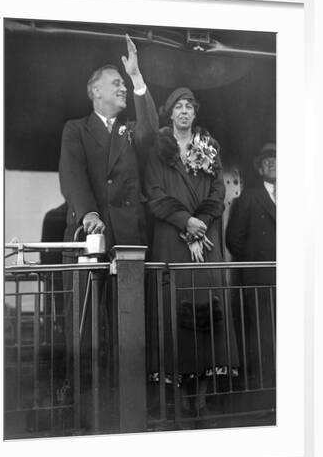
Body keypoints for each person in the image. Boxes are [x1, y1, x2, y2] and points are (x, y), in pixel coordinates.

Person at [144, 87, 239, 418]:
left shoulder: (209, 147)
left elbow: (217, 189)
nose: (184, 111)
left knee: (206, 313)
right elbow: (153, 193)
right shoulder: (158, 147)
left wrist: (202, 224)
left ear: (195, 113)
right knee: (176, 312)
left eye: (189, 107)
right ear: (169, 113)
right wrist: (187, 224)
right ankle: (179, 401)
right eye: (178, 107)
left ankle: (201, 397)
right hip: (172, 236)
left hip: (206, 239)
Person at [59, 34, 158, 252]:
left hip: (130, 235)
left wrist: (135, 76)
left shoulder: (131, 130)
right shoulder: (75, 130)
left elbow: (150, 131)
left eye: (124, 84)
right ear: (96, 91)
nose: (123, 88)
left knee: (130, 287)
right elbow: (72, 176)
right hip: (91, 232)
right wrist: (89, 213)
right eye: (116, 83)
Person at [226, 143, 276, 402]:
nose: (273, 163)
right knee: (263, 337)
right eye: (267, 159)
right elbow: (233, 239)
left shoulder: (301, 195)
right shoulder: (249, 197)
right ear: (259, 167)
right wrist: (257, 262)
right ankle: (264, 393)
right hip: (260, 280)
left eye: (277, 158)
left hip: (291, 282)